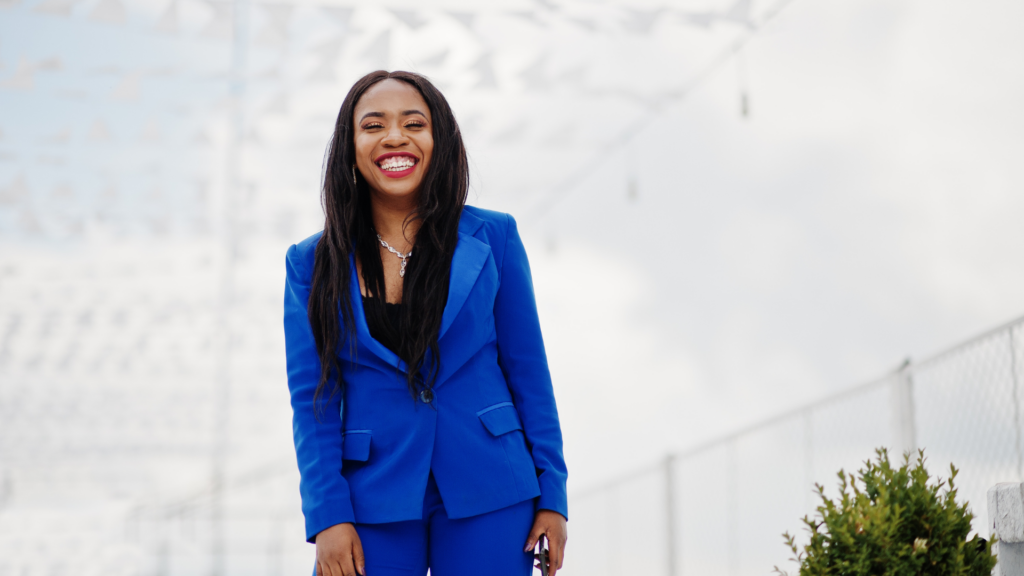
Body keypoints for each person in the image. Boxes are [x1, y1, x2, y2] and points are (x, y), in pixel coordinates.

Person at [283, 70, 568, 576]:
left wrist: (554, 495)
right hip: (371, 497)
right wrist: (327, 517)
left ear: (439, 142)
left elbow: (529, 373)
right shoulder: (310, 263)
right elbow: (315, 401)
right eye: (373, 125)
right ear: (350, 149)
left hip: (494, 488)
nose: (395, 136)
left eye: (414, 123)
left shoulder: (495, 237)